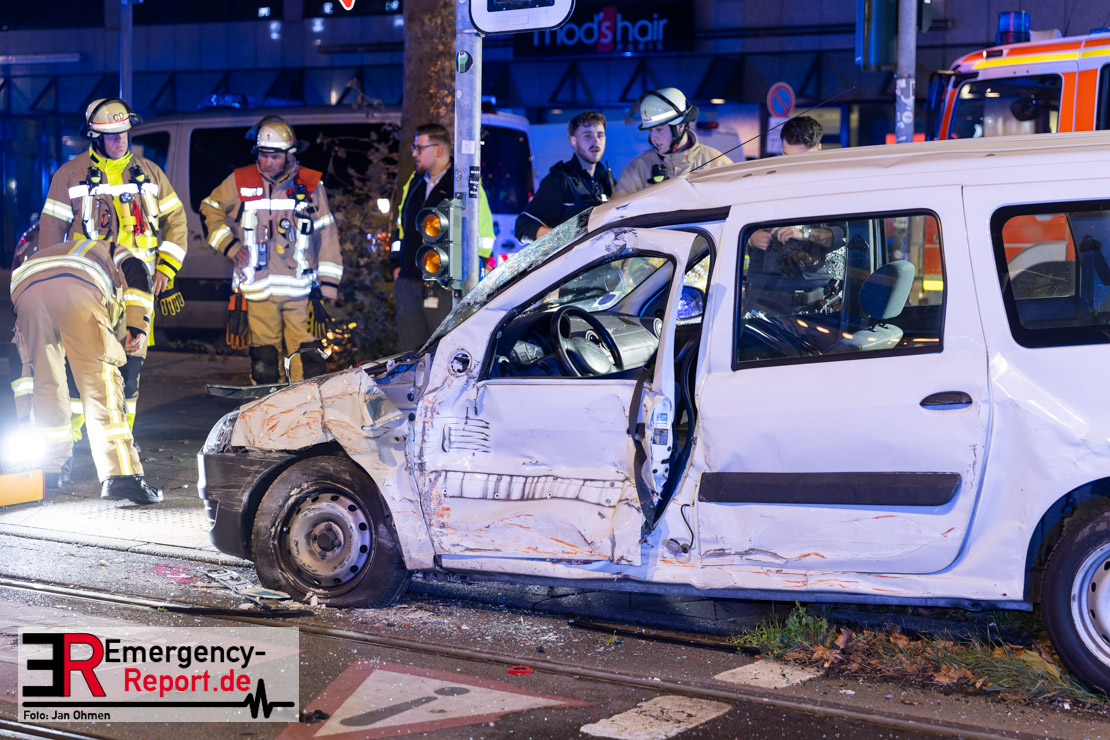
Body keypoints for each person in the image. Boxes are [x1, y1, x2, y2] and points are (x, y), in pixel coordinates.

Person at [38, 98, 187, 431]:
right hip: (88, 289)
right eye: (112, 134)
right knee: (82, 363)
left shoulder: (151, 173)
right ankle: (74, 437)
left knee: (130, 370)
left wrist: (166, 269)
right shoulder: (70, 175)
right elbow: (51, 233)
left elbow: (176, 221)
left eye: (124, 133)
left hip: (138, 292)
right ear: (95, 136)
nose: (120, 140)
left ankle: (121, 439)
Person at [10, 238, 163, 505]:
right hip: (77, 289)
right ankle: (120, 475)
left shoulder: (67, 248)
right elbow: (138, 271)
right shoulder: (114, 249)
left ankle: (51, 469)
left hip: (26, 291)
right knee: (99, 383)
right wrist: (137, 325)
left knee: (46, 383)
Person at [200, 116, 343, 384]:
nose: (267, 162)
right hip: (258, 292)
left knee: (309, 363)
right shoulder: (241, 180)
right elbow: (210, 208)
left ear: (290, 155)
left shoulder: (310, 184)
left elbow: (327, 233)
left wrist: (328, 287)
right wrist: (231, 247)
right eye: (263, 155)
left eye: (274, 156)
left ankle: (305, 409)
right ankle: (269, 410)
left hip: (302, 293)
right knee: (264, 364)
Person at [390, 123, 494, 352]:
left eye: (419, 148)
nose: (414, 154)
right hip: (410, 281)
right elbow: (400, 228)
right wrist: (397, 264)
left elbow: (484, 235)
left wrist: (468, 276)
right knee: (408, 350)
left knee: (443, 349)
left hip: (444, 286)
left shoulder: (462, 183)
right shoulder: (415, 181)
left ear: (438, 150)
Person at [515, 111, 615, 243]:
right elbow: (523, 227)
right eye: (587, 136)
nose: (595, 141)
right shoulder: (560, 180)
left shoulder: (606, 180)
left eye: (600, 135)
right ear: (573, 141)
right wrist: (565, 240)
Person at [615, 87, 732, 197]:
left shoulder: (716, 162)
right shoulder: (639, 168)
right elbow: (617, 207)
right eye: (650, 130)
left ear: (680, 126)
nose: (653, 137)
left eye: (659, 129)